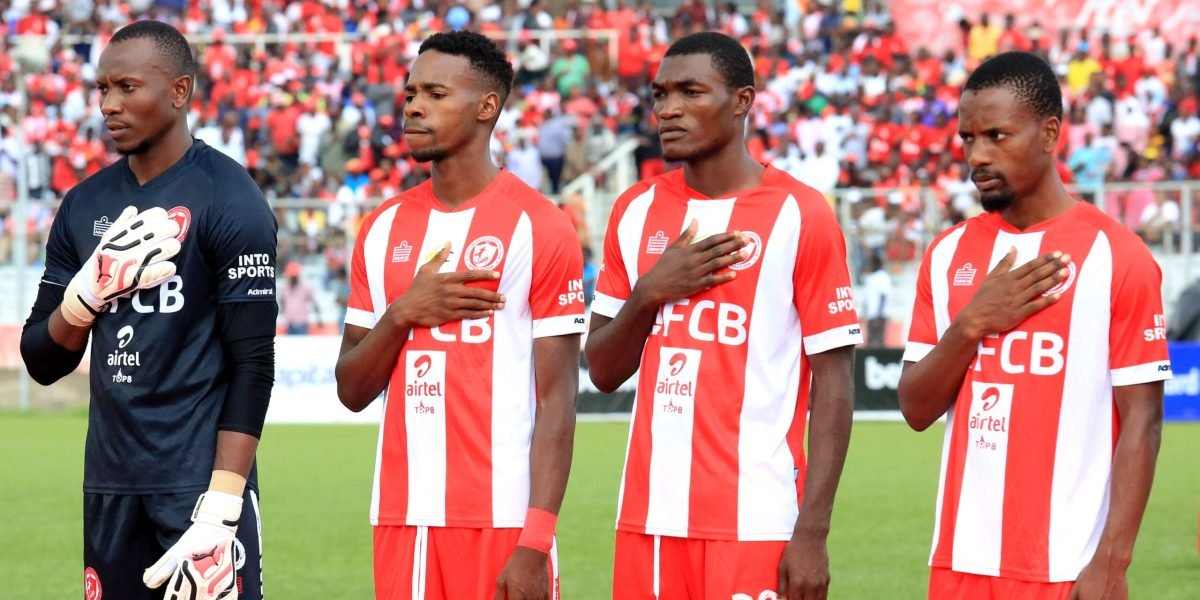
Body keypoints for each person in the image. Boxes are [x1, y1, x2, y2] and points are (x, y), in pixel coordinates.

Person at [584, 32, 862, 599]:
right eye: (661, 95)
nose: (669, 109)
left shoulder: (800, 213)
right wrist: (649, 293)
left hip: (756, 519)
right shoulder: (634, 211)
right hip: (647, 520)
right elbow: (603, 370)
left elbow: (834, 381)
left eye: (691, 92)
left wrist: (813, 531)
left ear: (742, 101)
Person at [19, 20, 277, 600]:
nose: (109, 104)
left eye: (127, 87)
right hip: (109, 486)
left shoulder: (231, 198)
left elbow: (254, 365)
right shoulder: (84, 205)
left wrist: (222, 508)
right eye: (102, 88)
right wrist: (83, 300)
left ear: (180, 91)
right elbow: (41, 361)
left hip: (199, 490)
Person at [897, 52, 1170, 600]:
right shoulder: (948, 255)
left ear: (1049, 134)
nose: (977, 155)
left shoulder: (1117, 256)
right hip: (958, 561)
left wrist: (1112, 562)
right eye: (968, 138)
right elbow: (916, 408)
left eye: (997, 135)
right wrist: (971, 325)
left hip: (1067, 565)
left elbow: (1142, 419)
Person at [334, 31, 584, 600]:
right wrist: (402, 314)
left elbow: (558, 400)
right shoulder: (381, 229)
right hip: (401, 518)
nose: (413, 107)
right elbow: (351, 389)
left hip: (503, 521)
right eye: (410, 94)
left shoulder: (540, 226)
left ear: (486, 106)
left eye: (435, 94)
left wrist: (536, 540)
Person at [278, 260, 319, 334]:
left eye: (294, 276)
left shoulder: (305, 287)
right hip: (289, 323)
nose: (292, 278)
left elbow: (314, 302)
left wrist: (319, 317)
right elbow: (282, 303)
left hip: (301, 323)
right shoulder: (284, 288)